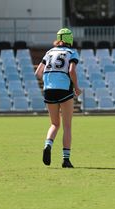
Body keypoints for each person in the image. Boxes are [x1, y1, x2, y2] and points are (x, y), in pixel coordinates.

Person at [34, 28, 82, 168]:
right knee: (67, 125)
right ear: (69, 39)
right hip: (64, 90)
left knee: (55, 124)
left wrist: (50, 81)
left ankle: (48, 144)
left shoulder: (49, 52)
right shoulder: (71, 52)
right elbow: (71, 70)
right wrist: (77, 87)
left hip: (49, 89)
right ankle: (66, 160)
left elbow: (38, 73)